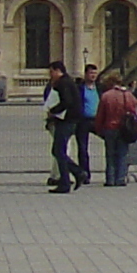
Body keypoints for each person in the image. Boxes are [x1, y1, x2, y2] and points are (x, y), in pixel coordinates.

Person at [41, 60, 86, 192]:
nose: (50, 75)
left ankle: (68, 180)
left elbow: (67, 101)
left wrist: (53, 111)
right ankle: (75, 174)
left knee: (58, 151)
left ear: (57, 70)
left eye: (51, 72)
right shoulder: (68, 82)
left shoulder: (62, 83)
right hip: (71, 120)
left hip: (66, 120)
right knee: (58, 150)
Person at [94, 71, 137, 187]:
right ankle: (120, 178)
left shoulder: (106, 96)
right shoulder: (129, 95)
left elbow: (100, 115)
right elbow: (133, 112)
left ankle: (110, 179)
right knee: (122, 154)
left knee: (110, 154)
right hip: (124, 129)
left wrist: (98, 129)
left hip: (109, 127)